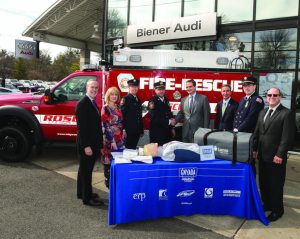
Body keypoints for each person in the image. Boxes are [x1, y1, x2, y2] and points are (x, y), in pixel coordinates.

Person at [253, 87, 294, 222]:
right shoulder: (263, 112)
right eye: (269, 95)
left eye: (275, 95)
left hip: (276, 157)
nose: (272, 97)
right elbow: (258, 132)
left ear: (280, 97)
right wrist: (254, 149)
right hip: (262, 155)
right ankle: (267, 204)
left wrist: (280, 154)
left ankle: (277, 210)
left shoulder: (286, 113)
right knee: (264, 183)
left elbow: (286, 137)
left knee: (275, 185)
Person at [75, 80, 104, 206]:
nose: (94, 89)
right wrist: (86, 146)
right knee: (87, 171)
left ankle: (81, 193)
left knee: (83, 169)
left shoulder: (92, 102)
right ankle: (87, 198)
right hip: (87, 144)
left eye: (96, 88)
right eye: (92, 87)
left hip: (92, 143)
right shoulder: (83, 103)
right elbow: (82, 128)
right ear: (87, 87)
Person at [101, 87, 125, 188]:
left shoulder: (117, 107)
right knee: (108, 160)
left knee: (119, 159)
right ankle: (108, 182)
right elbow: (106, 125)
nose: (114, 96)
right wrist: (112, 140)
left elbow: (121, 121)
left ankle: (116, 181)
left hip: (120, 137)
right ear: (108, 96)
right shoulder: (105, 108)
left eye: (116, 94)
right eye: (112, 94)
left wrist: (123, 131)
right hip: (110, 138)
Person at [148, 81, 175, 146]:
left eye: (162, 89)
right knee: (157, 153)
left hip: (167, 132)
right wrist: (169, 121)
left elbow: (169, 113)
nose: (161, 91)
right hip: (157, 133)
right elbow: (154, 117)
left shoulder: (166, 100)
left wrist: (172, 127)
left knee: (167, 152)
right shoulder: (152, 101)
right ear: (155, 90)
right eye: (159, 89)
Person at [120, 79, 144, 149]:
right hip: (128, 131)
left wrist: (141, 129)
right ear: (129, 87)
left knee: (133, 149)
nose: (134, 88)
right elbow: (122, 115)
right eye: (132, 86)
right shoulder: (125, 99)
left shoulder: (138, 99)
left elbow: (139, 116)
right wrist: (123, 130)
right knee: (128, 150)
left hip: (136, 131)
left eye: (136, 86)